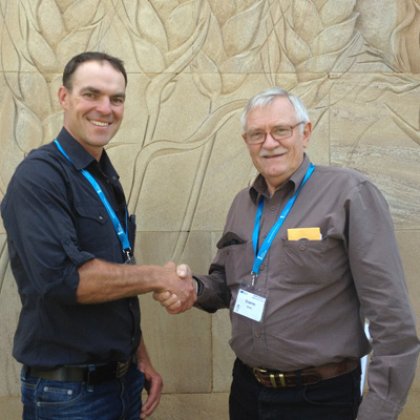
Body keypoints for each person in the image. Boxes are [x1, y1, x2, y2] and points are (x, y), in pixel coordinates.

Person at [155, 87, 420, 419]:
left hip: (321, 398)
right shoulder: (242, 203)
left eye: (281, 129)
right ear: (246, 141)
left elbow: (391, 317)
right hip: (248, 391)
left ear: (305, 133)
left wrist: (379, 411)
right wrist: (193, 289)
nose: (269, 142)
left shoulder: (349, 194)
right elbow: (228, 284)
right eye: (257, 134)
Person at [1, 51, 195, 420]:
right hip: (68, 395)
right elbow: (64, 279)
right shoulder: (39, 177)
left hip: (120, 384)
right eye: (91, 94)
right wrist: (159, 276)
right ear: (64, 97)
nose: (105, 108)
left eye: (116, 99)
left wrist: (140, 359)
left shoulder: (104, 176)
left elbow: (117, 272)